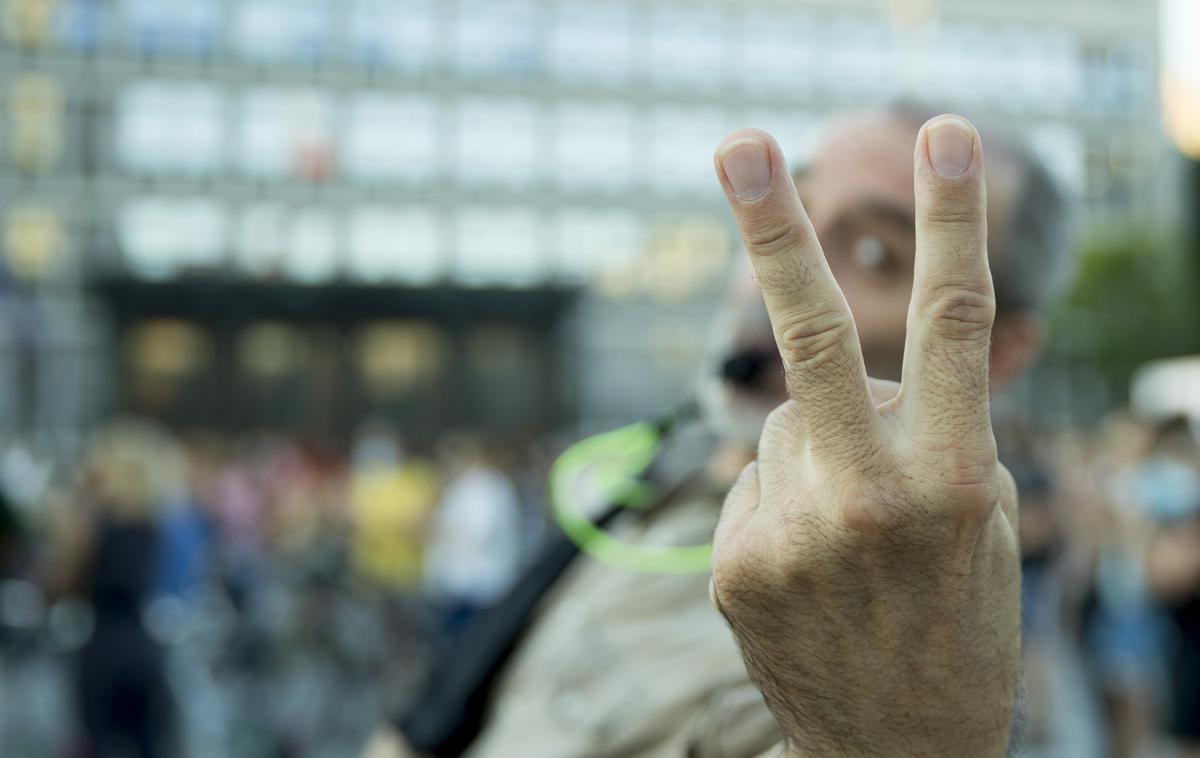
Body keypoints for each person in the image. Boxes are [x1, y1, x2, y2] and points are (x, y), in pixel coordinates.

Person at [369, 103, 1072, 757]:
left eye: (874, 257)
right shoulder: (651, 484)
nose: (774, 275)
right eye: (792, 212)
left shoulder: (913, 614)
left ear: (999, 353)